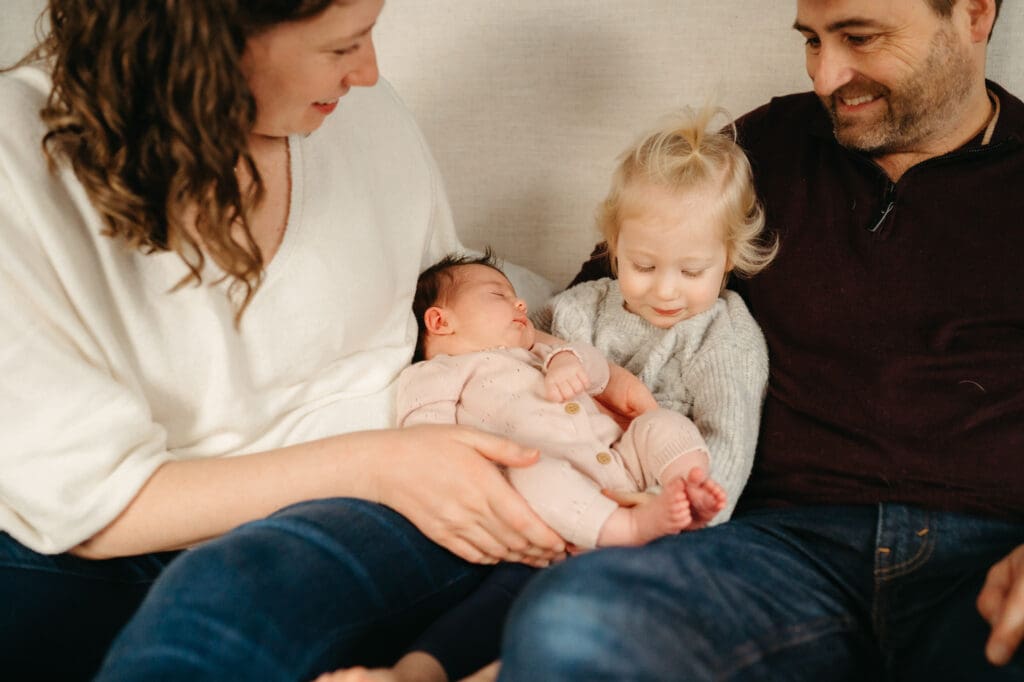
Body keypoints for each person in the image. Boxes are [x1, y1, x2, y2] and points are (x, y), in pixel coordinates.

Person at [0, 1, 583, 680]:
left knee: (217, 616)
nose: (367, 72)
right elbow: (86, 500)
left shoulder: (366, 118)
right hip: (116, 529)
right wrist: (374, 462)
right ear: (205, 43)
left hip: (383, 505)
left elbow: (457, 299)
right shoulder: (18, 160)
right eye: (341, 48)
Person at [498, 0, 1024, 679]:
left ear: (975, 13)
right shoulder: (764, 149)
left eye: (859, 38)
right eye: (812, 40)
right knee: (572, 621)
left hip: (991, 556)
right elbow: (600, 307)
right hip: (773, 554)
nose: (828, 75)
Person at [325, 251, 727, 682]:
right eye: (499, 295)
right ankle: (414, 672)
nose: (519, 305)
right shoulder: (437, 374)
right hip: (541, 505)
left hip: (624, 467)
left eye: (518, 297)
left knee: (658, 423)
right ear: (441, 322)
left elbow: (599, 373)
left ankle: (687, 485)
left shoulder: (541, 352)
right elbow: (429, 445)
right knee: (522, 507)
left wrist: (567, 362)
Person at [536, 105, 778, 524]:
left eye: (691, 271)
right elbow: (515, 339)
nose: (665, 290)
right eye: (643, 266)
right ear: (615, 247)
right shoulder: (584, 306)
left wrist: (686, 508)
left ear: (728, 257)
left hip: (651, 503)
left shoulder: (722, 337)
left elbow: (729, 438)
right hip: (560, 479)